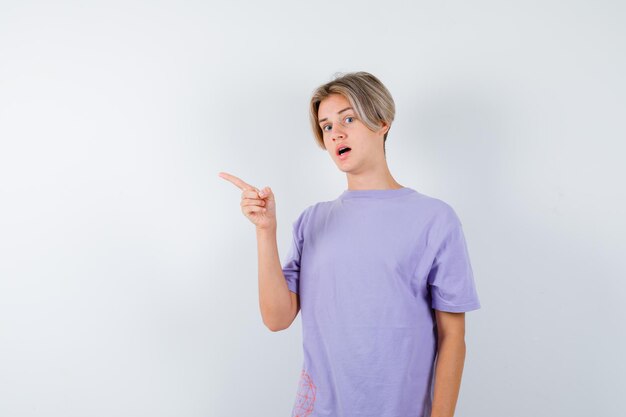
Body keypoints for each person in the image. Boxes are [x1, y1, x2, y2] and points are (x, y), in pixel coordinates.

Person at [218, 71, 481, 417]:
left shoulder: (434, 219)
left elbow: (452, 337)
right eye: (326, 126)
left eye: (348, 118)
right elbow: (277, 318)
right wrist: (265, 231)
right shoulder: (313, 221)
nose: (336, 133)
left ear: (383, 122)